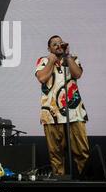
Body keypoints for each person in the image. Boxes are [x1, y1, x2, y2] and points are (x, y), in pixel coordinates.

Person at [35, 35, 89, 177]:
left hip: (74, 112)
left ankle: (87, 179)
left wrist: (68, 56)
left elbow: (77, 74)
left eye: (60, 43)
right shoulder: (44, 61)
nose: (58, 45)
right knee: (56, 154)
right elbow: (42, 78)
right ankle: (60, 181)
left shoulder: (72, 58)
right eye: (54, 44)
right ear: (49, 48)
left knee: (82, 151)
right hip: (51, 114)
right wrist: (51, 61)